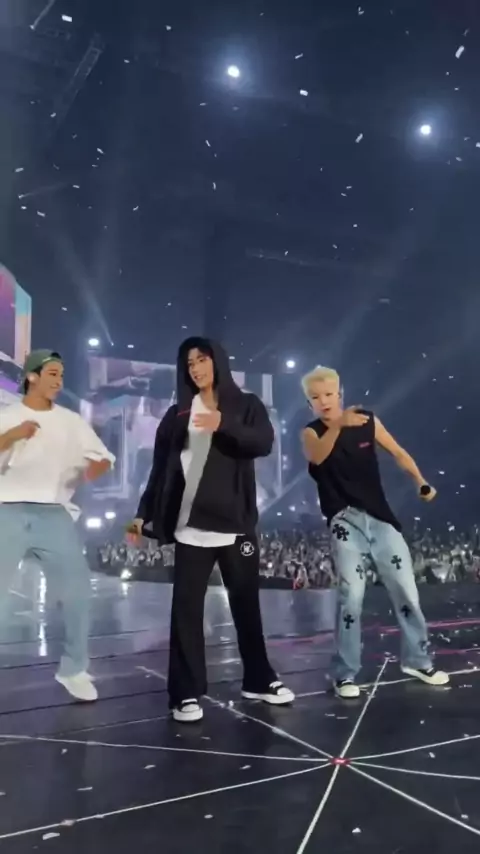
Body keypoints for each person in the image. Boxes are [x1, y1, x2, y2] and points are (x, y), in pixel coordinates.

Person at [130, 337, 294, 722]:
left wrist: (224, 424)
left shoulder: (247, 405)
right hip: (191, 529)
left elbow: (263, 442)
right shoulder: (177, 415)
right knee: (186, 612)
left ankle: (258, 679)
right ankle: (185, 693)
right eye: (189, 363)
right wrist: (142, 514)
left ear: (217, 361)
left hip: (236, 526)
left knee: (247, 606)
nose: (196, 368)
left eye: (202, 359)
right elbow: (160, 471)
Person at [301, 365, 449, 699]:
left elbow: (398, 452)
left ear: (339, 394)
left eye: (329, 394)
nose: (324, 401)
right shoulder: (311, 433)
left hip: (380, 517)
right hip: (344, 520)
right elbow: (318, 457)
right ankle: (345, 673)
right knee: (352, 595)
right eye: (316, 397)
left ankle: (418, 659)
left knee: (406, 589)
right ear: (309, 403)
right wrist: (338, 425)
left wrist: (420, 482)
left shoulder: (367, 421)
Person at [0, 350, 114, 701]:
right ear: (31, 376)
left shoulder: (71, 421)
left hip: (54, 513)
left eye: (61, 375)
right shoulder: (8, 416)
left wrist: (94, 469)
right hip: (7, 510)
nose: (59, 381)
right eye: (52, 373)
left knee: (77, 592)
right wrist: (13, 435)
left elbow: (102, 458)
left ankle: (73, 669)